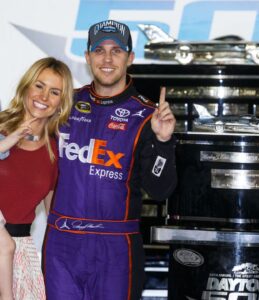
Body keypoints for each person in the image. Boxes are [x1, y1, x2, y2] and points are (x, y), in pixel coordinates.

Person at [43, 19, 177, 300]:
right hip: (62, 243)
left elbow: (161, 189)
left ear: (130, 58)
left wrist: (163, 143)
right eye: (99, 50)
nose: (107, 58)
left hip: (116, 248)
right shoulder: (64, 104)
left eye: (116, 51)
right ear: (88, 57)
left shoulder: (147, 116)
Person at [0, 57, 73, 299]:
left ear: (61, 103)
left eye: (54, 92)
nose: (43, 97)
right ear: (26, 87)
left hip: (20, 253)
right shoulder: (0, 129)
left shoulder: (55, 152)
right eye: (39, 86)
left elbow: (54, 213)